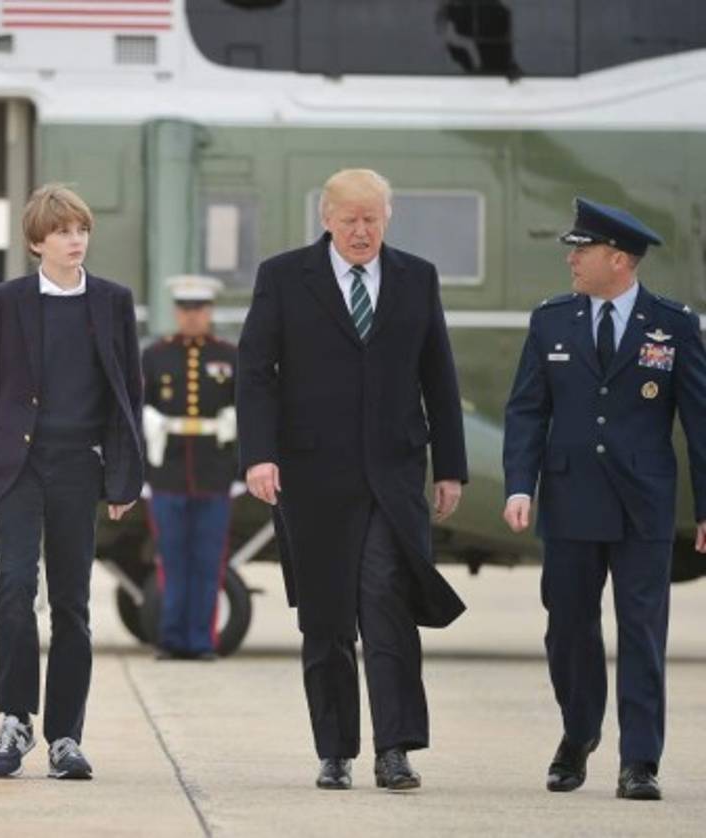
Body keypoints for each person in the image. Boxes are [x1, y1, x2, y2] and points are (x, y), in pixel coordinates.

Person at [236, 168, 468, 792]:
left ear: (387, 218)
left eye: (372, 218)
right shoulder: (284, 277)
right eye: (349, 219)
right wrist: (259, 455)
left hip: (393, 474)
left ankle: (395, 749)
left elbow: (438, 376)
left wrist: (449, 466)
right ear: (326, 218)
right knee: (327, 617)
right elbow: (255, 371)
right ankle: (334, 750)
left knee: (388, 602)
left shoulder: (416, 277)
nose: (361, 231)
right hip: (311, 476)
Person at [503, 197, 706, 801]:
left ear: (617, 259)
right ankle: (578, 733)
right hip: (569, 501)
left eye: (582, 249)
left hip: (643, 506)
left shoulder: (673, 324)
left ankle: (639, 760)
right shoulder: (551, 321)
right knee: (567, 629)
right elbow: (526, 410)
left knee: (641, 632)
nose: (572, 258)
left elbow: (700, 421)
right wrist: (520, 484)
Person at [0, 183, 144, 780]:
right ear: (38, 241)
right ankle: (16, 718)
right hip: (19, 467)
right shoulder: (8, 300)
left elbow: (127, 397)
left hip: (77, 468)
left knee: (72, 603)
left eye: (81, 229)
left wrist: (124, 476)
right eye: (63, 231)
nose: (75, 240)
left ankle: (66, 736)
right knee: (14, 588)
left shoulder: (113, 301)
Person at [141, 274, 237, 661]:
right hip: (168, 471)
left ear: (210, 311)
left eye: (199, 309)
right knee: (172, 561)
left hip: (215, 472)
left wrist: (242, 468)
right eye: (185, 309)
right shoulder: (156, 355)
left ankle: (201, 642)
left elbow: (248, 412)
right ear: (177, 312)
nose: (192, 316)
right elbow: (139, 408)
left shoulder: (229, 355)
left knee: (208, 562)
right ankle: (171, 639)